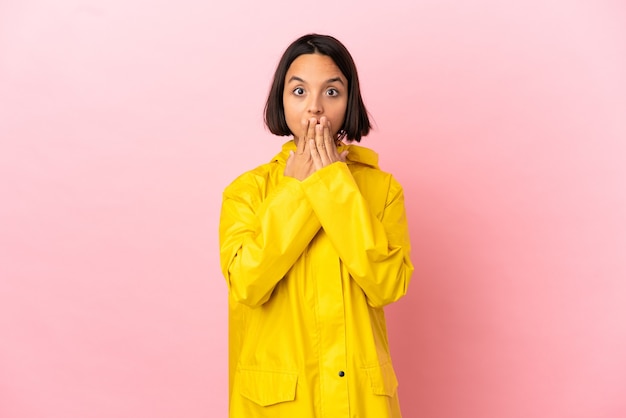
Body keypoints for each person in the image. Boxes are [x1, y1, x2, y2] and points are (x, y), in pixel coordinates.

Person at [219, 33, 414, 418]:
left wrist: (334, 186)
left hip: (359, 401)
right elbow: (246, 282)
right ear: (281, 100)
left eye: (331, 92)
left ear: (349, 100)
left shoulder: (382, 189)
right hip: (277, 403)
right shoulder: (247, 192)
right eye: (299, 91)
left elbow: (388, 284)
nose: (314, 108)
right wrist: (296, 191)